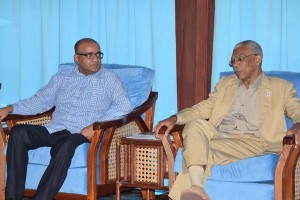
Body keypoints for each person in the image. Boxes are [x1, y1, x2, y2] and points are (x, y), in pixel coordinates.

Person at [155, 40, 300, 200]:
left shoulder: (281, 87)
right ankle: (197, 189)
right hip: (221, 135)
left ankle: (178, 196)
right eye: (233, 61)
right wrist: (175, 118)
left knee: (194, 150)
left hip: (255, 142)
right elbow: (203, 108)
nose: (235, 65)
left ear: (257, 59)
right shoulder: (225, 83)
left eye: (240, 59)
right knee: (194, 125)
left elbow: (297, 110)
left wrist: (298, 124)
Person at [0, 38, 134, 200]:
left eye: (98, 55)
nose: (96, 59)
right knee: (19, 132)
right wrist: (10, 108)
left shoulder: (109, 79)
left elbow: (125, 105)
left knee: (66, 144)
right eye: (89, 55)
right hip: (55, 129)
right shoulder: (61, 78)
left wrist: (95, 126)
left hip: (82, 133)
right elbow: (40, 102)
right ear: (77, 58)